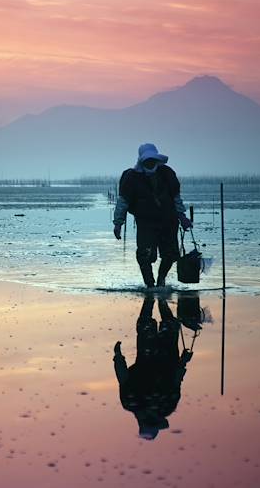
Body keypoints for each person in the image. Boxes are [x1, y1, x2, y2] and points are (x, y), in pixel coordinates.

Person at [113, 295, 193, 440]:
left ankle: (151, 296)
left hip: (148, 355)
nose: (156, 416)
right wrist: (183, 362)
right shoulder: (166, 407)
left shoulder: (131, 402)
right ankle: (159, 297)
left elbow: (123, 377)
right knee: (166, 323)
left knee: (146, 322)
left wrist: (118, 356)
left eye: (153, 419)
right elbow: (176, 381)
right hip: (166, 356)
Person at [113, 143, 192, 288]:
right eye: (147, 161)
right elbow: (123, 201)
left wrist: (183, 217)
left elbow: (176, 198)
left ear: (157, 160)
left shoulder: (167, 174)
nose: (150, 164)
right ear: (141, 161)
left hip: (169, 221)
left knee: (170, 254)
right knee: (145, 254)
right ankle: (150, 284)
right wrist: (118, 223)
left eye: (153, 161)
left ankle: (161, 280)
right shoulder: (131, 177)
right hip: (146, 223)